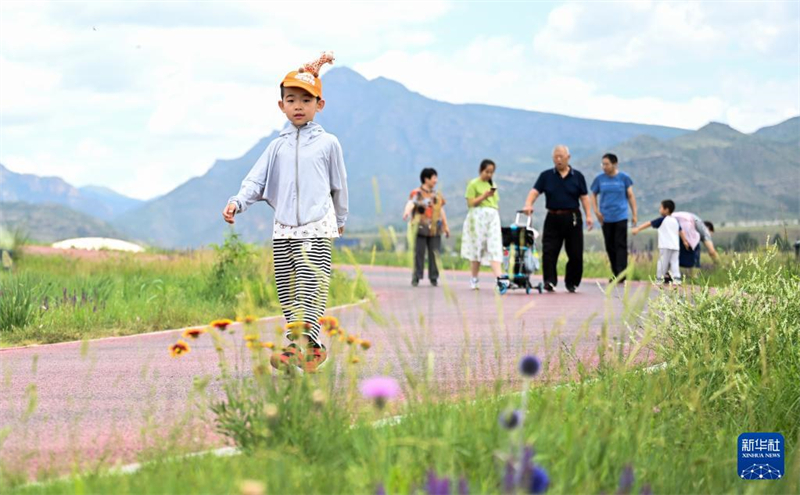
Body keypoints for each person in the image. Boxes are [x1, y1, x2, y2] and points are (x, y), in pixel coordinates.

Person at [223, 52, 348, 373]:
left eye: (306, 100)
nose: (298, 106)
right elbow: (256, 179)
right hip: (284, 228)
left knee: (310, 282)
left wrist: (341, 219)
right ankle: (308, 347)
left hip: (317, 225)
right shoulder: (276, 146)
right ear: (281, 106)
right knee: (287, 285)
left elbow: (339, 185)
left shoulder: (328, 143)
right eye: (291, 99)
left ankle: (303, 345)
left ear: (319, 104)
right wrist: (238, 201)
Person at [522, 145, 593, 293]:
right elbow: (534, 192)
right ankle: (549, 281)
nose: (558, 159)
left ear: (568, 157)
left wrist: (589, 216)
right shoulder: (546, 176)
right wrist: (528, 204)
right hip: (553, 217)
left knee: (575, 253)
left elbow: (584, 198)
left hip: (572, 217)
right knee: (549, 251)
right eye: (556, 157)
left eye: (561, 156)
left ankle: (572, 282)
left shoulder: (578, 176)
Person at [460, 159, 510, 293]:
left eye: (491, 172)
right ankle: (474, 278)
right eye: (487, 172)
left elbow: (495, 202)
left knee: (494, 246)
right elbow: (470, 203)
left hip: (491, 216)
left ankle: (499, 278)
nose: (489, 175)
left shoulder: (493, 184)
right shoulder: (473, 184)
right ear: (481, 170)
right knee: (477, 248)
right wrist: (484, 196)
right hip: (478, 216)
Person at [590, 153, 637, 282]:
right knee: (610, 245)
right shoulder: (600, 179)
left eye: (607, 164)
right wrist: (596, 211)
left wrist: (634, 214)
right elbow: (593, 194)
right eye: (603, 164)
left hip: (620, 216)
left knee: (620, 244)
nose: (604, 167)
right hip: (606, 218)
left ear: (614, 164)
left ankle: (621, 274)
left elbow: (631, 196)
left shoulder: (624, 178)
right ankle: (615, 272)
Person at [403, 168, 450, 287]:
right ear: (426, 179)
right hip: (420, 228)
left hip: (435, 228)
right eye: (434, 178)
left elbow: (441, 210)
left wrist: (446, 226)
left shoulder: (436, 195)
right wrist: (407, 212)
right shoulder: (416, 193)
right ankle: (416, 277)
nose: (436, 180)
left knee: (435, 253)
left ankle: (434, 277)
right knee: (419, 253)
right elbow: (411, 203)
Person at [631, 200, 690, 286]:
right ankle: (677, 279)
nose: (660, 210)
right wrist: (685, 241)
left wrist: (638, 229)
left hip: (665, 245)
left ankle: (659, 279)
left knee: (663, 262)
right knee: (674, 262)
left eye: (661, 208)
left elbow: (649, 223)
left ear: (666, 209)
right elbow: (681, 231)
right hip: (675, 246)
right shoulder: (675, 220)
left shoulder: (662, 220)